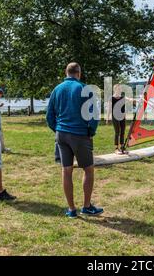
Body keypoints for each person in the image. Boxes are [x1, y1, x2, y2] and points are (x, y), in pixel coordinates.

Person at [46, 62, 103, 219]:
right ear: (79, 73)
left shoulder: (57, 89)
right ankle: (86, 206)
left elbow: (49, 115)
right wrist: (91, 131)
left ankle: (71, 209)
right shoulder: (84, 89)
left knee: (66, 171)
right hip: (79, 134)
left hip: (61, 134)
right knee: (88, 170)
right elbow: (94, 115)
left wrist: (57, 129)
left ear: (66, 72)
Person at [106, 84, 137, 154]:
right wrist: (107, 118)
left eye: (120, 89)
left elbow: (129, 99)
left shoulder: (122, 97)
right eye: (118, 89)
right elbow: (109, 109)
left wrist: (134, 100)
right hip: (115, 116)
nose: (120, 90)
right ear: (115, 89)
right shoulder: (111, 98)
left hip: (122, 117)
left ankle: (122, 147)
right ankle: (116, 148)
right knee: (117, 132)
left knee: (122, 132)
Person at [0, 88, 12, 154]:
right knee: (0, 133)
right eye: (1, 95)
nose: (1, 97)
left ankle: (1, 148)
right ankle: (2, 149)